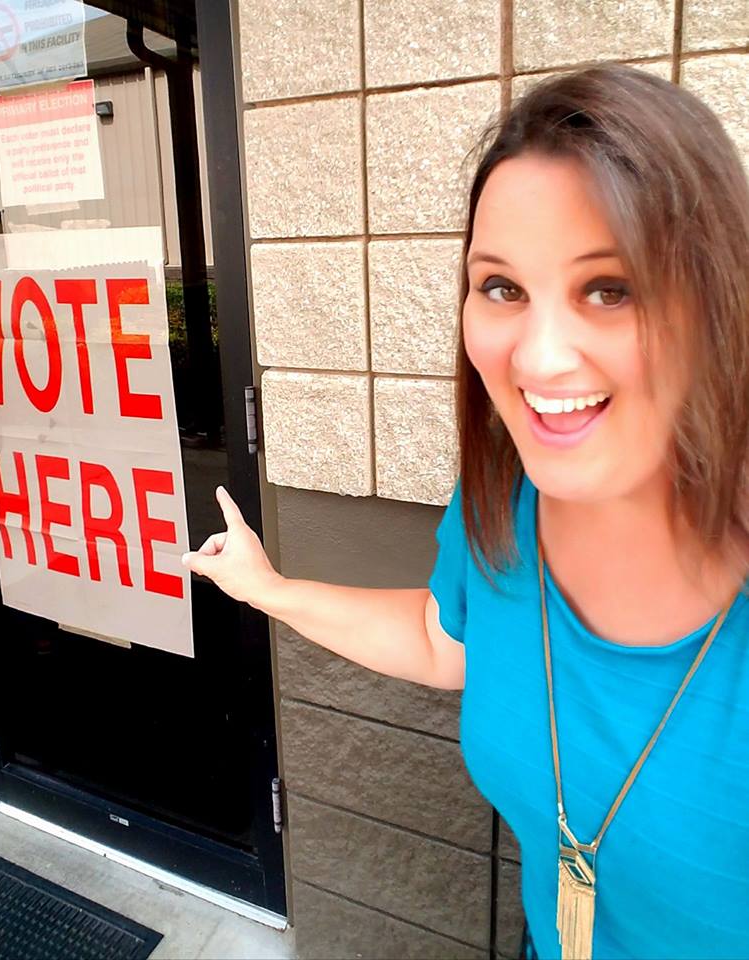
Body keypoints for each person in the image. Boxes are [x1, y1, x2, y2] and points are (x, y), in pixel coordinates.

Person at [182, 64, 749, 960]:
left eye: (610, 288)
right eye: (501, 287)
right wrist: (266, 588)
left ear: (717, 301)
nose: (540, 354)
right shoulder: (504, 504)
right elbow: (445, 639)